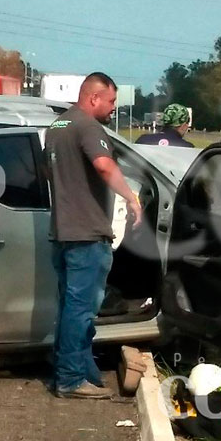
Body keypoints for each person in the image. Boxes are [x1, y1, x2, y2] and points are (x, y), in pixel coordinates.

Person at [44, 72, 142, 399]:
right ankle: (71, 380)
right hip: (87, 233)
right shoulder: (88, 126)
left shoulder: (57, 127)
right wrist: (131, 197)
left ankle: (80, 371)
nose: (114, 107)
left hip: (63, 232)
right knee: (81, 309)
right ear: (93, 98)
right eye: (112, 101)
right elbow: (103, 165)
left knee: (71, 308)